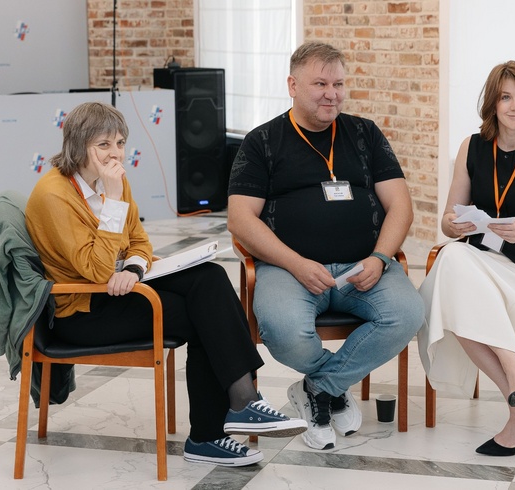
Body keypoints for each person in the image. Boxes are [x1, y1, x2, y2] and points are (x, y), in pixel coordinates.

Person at [24, 101, 307, 467]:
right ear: (78, 146)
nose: (115, 154)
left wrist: (133, 269)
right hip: (80, 312)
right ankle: (214, 430)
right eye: (103, 144)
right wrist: (113, 201)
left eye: (120, 143)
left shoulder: (111, 181)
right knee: (204, 317)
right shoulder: (54, 194)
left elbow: (139, 242)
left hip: (115, 291)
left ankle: (243, 402)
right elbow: (95, 269)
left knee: (210, 277)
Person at [227, 41, 425, 450]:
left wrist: (380, 257)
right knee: (284, 331)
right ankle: (333, 386)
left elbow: (401, 207)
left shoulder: (365, 134)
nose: (331, 94)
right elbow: (240, 220)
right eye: (320, 84)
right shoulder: (262, 141)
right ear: (292, 85)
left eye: (338, 84)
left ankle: (318, 388)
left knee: (408, 313)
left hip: (363, 266)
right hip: (288, 269)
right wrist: (296, 263)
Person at [418, 61, 515, 456]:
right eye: (506, 97)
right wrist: (454, 225)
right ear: (492, 104)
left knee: (450, 282)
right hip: (482, 264)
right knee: (452, 256)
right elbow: (448, 220)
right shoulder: (471, 148)